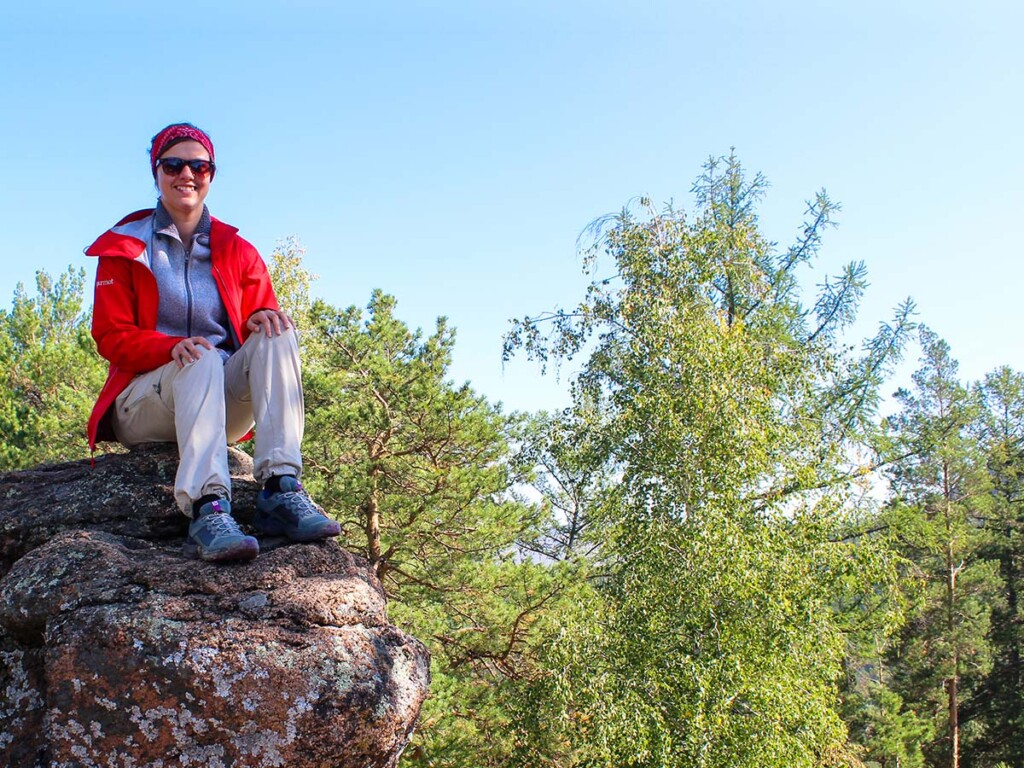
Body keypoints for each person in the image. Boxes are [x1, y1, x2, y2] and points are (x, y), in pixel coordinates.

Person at [85, 122, 339, 563]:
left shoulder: (237, 250)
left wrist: (261, 317)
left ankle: (280, 488)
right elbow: (110, 336)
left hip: (218, 406)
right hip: (146, 400)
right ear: (157, 172)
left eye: (199, 166)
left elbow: (260, 317)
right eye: (174, 164)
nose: (187, 174)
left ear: (211, 175)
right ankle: (208, 509)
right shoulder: (126, 246)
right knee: (199, 355)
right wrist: (168, 349)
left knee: (278, 334)